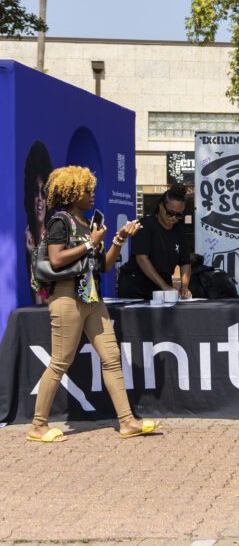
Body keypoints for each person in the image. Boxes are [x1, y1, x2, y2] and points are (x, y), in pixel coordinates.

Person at [27, 166, 157, 443]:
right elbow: (56, 260)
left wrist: (119, 239)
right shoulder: (59, 221)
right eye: (87, 191)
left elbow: (104, 266)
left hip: (91, 297)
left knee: (111, 359)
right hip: (66, 297)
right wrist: (89, 243)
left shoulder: (88, 224)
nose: (91, 195)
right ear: (73, 193)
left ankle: (127, 422)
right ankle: (38, 426)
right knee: (60, 361)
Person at [116, 185, 191, 300]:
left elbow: (185, 262)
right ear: (161, 206)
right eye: (170, 213)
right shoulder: (145, 225)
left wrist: (184, 287)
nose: (174, 218)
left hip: (162, 285)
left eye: (179, 215)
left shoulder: (179, 231)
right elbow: (142, 258)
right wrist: (165, 286)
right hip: (137, 285)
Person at [23, 141, 54, 305]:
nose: (40, 200)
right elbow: (37, 303)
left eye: (44, 192)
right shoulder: (27, 239)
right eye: (36, 192)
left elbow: (44, 300)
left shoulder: (55, 237)